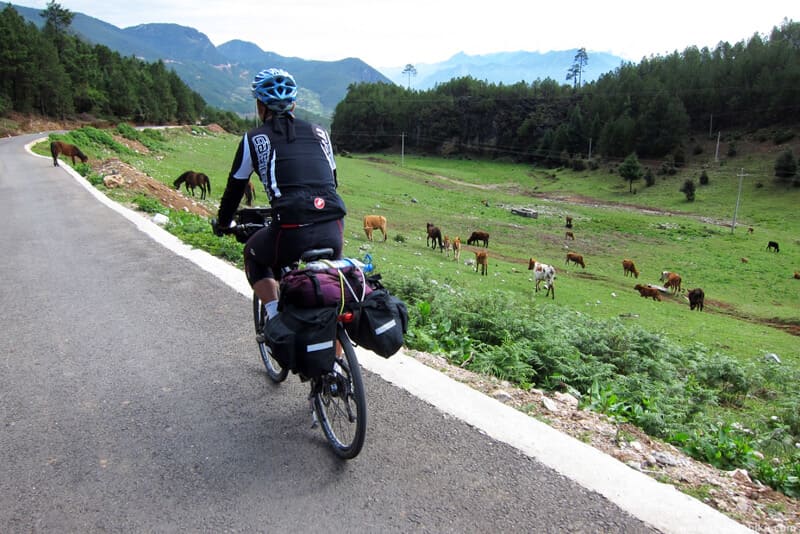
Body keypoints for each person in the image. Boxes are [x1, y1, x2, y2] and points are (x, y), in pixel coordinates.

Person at [213, 67, 347, 322]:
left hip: (291, 226)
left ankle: (274, 318)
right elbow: (333, 181)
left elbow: (235, 188)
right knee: (332, 291)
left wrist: (223, 223)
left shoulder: (253, 138)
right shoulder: (321, 133)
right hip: (333, 223)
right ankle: (335, 358)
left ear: (260, 107)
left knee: (253, 253)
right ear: (293, 106)